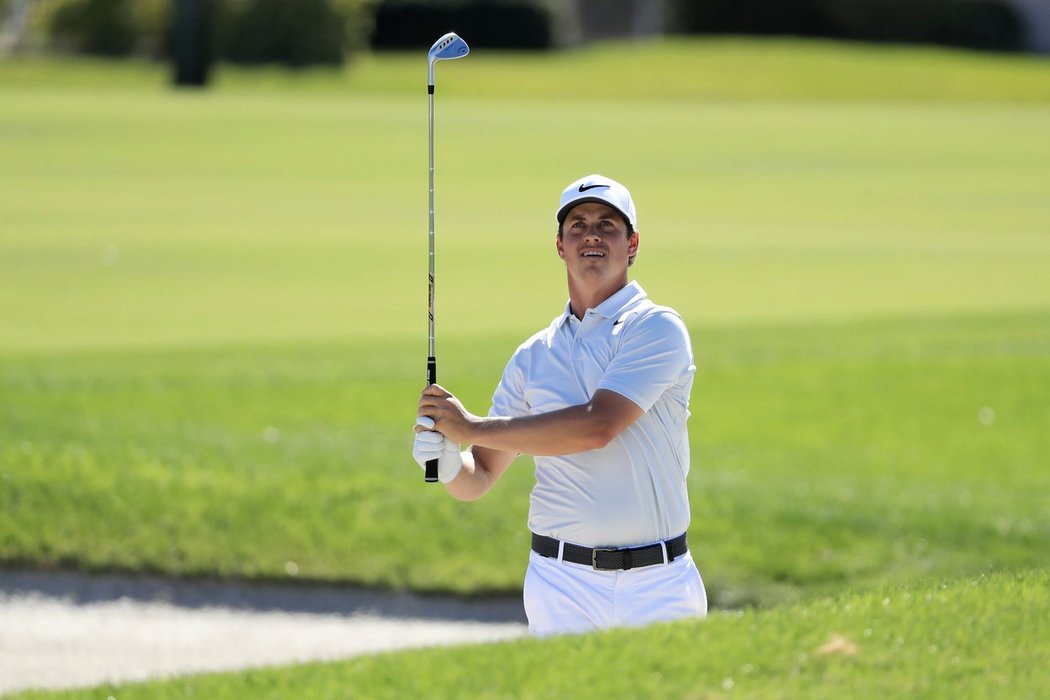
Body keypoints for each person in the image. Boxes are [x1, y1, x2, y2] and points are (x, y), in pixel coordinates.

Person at [413, 173, 707, 636]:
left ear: (632, 244)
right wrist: (450, 463)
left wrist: (470, 429)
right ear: (560, 245)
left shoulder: (656, 327)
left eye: (608, 224)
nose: (591, 233)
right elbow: (482, 476)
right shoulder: (534, 356)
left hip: (658, 583)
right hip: (560, 582)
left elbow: (598, 426)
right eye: (578, 225)